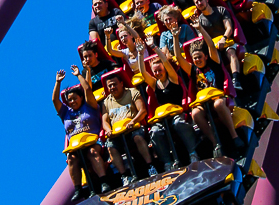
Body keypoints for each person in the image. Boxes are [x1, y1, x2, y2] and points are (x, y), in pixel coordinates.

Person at [170, 20, 244, 157]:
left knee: (218, 104)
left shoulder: (214, 62)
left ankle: (234, 136)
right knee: (195, 113)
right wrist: (175, 37)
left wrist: (200, 28)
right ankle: (215, 142)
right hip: (202, 101)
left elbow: (210, 44)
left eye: (199, 57)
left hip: (218, 96)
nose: (197, 60)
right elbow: (179, 58)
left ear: (205, 56)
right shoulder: (193, 69)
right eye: (194, 58)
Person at [136, 38, 199, 170]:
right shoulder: (154, 84)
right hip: (163, 118)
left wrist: (154, 48)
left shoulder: (173, 78)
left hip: (177, 113)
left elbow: (165, 61)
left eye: (160, 70)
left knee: (179, 124)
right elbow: (142, 73)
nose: (158, 74)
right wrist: (141, 54)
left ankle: (193, 152)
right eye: (155, 72)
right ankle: (167, 162)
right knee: (155, 131)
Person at [52, 68, 111, 200]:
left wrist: (79, 75)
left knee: (92, 153)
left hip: (93, 141)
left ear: (81, 98)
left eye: (74, 98)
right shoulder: (66, 112)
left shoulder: (89, 106)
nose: (72, 102)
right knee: (72, 158)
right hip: (76, 145)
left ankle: (104, 181)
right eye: (69, 100)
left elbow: (88, 90)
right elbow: (55, 101)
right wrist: (58, 83)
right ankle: (78, 189)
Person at [101, 72, 157, 185]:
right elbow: (104, 121)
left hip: (133, 127)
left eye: (114, 84)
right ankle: (125, 176)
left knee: (138, 138)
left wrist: (133, 121)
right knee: (110, 146)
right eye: (110, 86)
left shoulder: (132, 92)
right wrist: (108, 130)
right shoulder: (107, 102)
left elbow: (142, 111)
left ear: (121, 83)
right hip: (117, 133)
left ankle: (151, 166)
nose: (112, 87)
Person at [190, 0, 242, 90]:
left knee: (230, 52)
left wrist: (224, 39)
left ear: (207, 0)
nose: (199, 3)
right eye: (196, 2)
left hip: (226, 42)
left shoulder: (220, 10)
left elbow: (229, 28)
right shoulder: (199, 20)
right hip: (213, 47)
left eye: (200, 0)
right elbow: (202, 38)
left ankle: (236, 80)